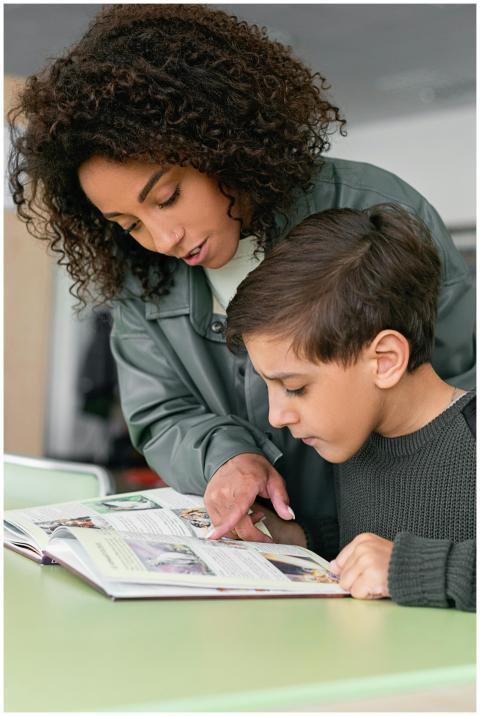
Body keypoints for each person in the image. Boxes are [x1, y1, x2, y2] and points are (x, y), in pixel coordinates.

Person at [9, 5, 475, 543]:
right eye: (127, 223)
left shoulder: (379, 212)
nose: (163, 240)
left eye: (168, 197)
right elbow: (161, 411)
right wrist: (229, 460)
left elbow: (447, 398)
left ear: (219, 147)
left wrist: (404, 552)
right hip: (275, 558)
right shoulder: (141, 273)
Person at [223, 204, 475, 610]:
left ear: (385, 360)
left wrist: (412, 568)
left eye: (295, 387)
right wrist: (295, 540)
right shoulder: (356, 439)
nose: (276, 416)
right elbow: (366, 543)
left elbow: (396, 560)